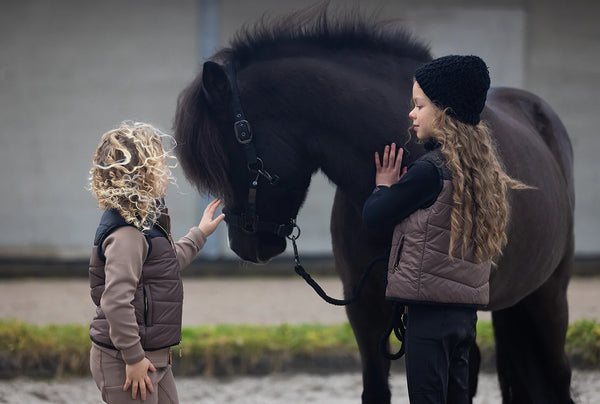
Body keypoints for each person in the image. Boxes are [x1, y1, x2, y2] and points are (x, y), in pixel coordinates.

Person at [362, 55, 528, 403]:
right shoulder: (480, 172)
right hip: (464, 319)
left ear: (444, 111)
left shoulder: (429, 171)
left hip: (429, 318)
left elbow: (374, 218)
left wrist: (383, 185)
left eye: (420, 105)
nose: (412, 113)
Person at [88, 122, 225, 403]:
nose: (167, 171)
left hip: (154, 357)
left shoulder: (146, 223)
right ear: (141, 175)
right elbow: (115, 301)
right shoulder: (127, 233)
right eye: (161, 164)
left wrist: (200, 234)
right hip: (125, 361)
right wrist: (134, 358)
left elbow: (166, 263)